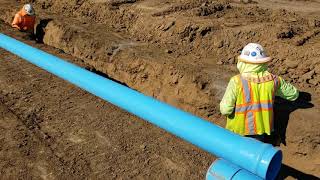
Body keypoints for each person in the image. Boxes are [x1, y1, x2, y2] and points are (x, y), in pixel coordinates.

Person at [219, 43, 299, 143]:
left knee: (234, 157)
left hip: (238, 130)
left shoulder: (236, 81)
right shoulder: (274, 80)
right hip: (260, 130)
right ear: (263, 62)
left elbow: (225, 110)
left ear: (242, 62)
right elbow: (293, 94)